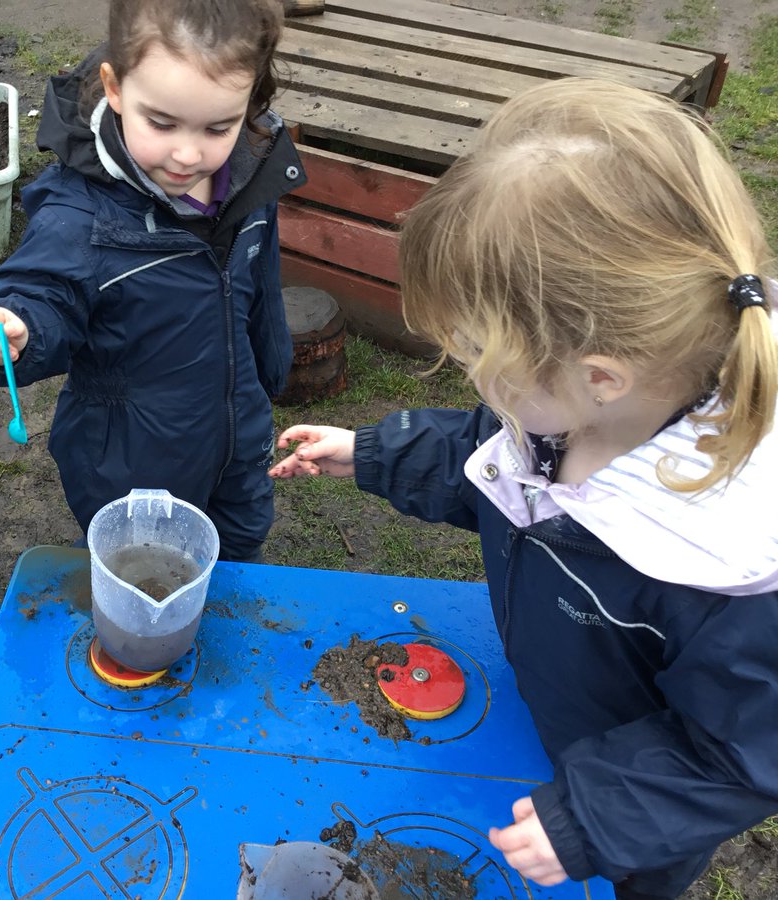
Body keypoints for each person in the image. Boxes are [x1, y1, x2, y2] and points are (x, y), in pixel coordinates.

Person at [269, 78, 778, 899]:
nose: (471, 376)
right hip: (551, 713)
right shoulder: (578, 413)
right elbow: (492, 460)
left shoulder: (732, 562)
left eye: (476, 356)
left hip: (633, 814)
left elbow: (739, 751)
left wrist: (593, 818)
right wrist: (372, 453)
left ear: (599, 376)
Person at [0, 0, 303, 562]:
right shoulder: (82, 215)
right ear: (115, 89)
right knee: (138, 566)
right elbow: (43, 288)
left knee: (238, 546)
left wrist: (270, 369)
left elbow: (258, 287)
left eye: (219, 126)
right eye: (162, 123)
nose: (189, 154)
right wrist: (15, 326)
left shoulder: (249, 178)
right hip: (131, 460)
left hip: (237, 433)